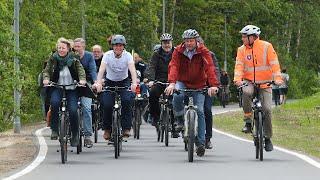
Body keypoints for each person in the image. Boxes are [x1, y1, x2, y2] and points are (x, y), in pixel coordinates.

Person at [165, 29, 219, 157]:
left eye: (191, 41)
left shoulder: (203, 51)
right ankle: (178, 119)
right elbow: (174, 66)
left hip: (199, 84)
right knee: (177, 94)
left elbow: (210, 68)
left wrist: (213, 85)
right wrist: (172, 83)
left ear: (196, 41)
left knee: (200, 111)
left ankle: (200, 144)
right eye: (186, 41)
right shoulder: (178, 51)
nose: (188, 43)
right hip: (182, 81)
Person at [234, 25, 283, 152]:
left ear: (253, 37)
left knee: (267, 109)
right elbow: (239, 66)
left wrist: (277, 78)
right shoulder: (241, 50)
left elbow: (274, 64)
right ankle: (248, 121)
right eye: (242, 36)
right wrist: (238, 80)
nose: (242, 39)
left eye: (245, 36)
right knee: (246, 92)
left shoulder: (266, 46)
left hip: (265, 83)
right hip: (249, 81)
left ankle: (267, 138)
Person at [42, 37, 86, 146]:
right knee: (55, 103)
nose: (61, 50)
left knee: (72, 110)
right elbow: (46, 70)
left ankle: (75, 134)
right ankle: (55, 130)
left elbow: (81, 70)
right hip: (58, 87)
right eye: (59, 48)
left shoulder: (74, 59)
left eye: (63, 48)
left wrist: (82, 80)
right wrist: (46, 79)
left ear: (68, 49)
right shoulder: (53, 59)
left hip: (72, 88)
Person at [93, 35, 137, 140]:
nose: (118, 48)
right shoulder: (107, 55)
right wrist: (99, 83)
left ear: (123, 47)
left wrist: (134, 83)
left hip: (124, 82)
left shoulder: (128, 56)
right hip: (110, 82)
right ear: (112, 46)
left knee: (127, 101)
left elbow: (132, 70)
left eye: (120, 46)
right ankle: (107, 129)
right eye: (116, 45)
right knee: (107, 104)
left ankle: (126, 128)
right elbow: (101, 70)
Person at [145, 33, 178, 136]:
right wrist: (150, 79)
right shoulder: (156, 54)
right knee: (153, 93)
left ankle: (174, 126)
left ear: (171, 43)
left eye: (168, 43)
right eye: (164, 43)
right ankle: (155, 117)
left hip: (173, 81)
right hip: (160, 80)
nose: (166, 45)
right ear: (161, 44)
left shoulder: (177, 53)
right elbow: (151, 66)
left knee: (174, 101)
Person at [197, 36, 221, 149]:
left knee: (206, 109)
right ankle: (185, 129)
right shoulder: (188, 54)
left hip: (207, 87)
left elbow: (215, 70)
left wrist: (215, 85)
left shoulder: (210, 54)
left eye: (200, 43)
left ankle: (207, 138)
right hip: (193, 86)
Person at [73, 38, 97, 147]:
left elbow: (92, 70)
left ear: (83, 47)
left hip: (85, 83)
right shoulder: (70, 55)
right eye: (75, 46)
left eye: (78, 46)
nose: (76, 48)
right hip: (72, 83)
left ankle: (87, 136)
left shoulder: (89, 56)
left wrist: (96, 82)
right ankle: (67, 129)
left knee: (87, 108)